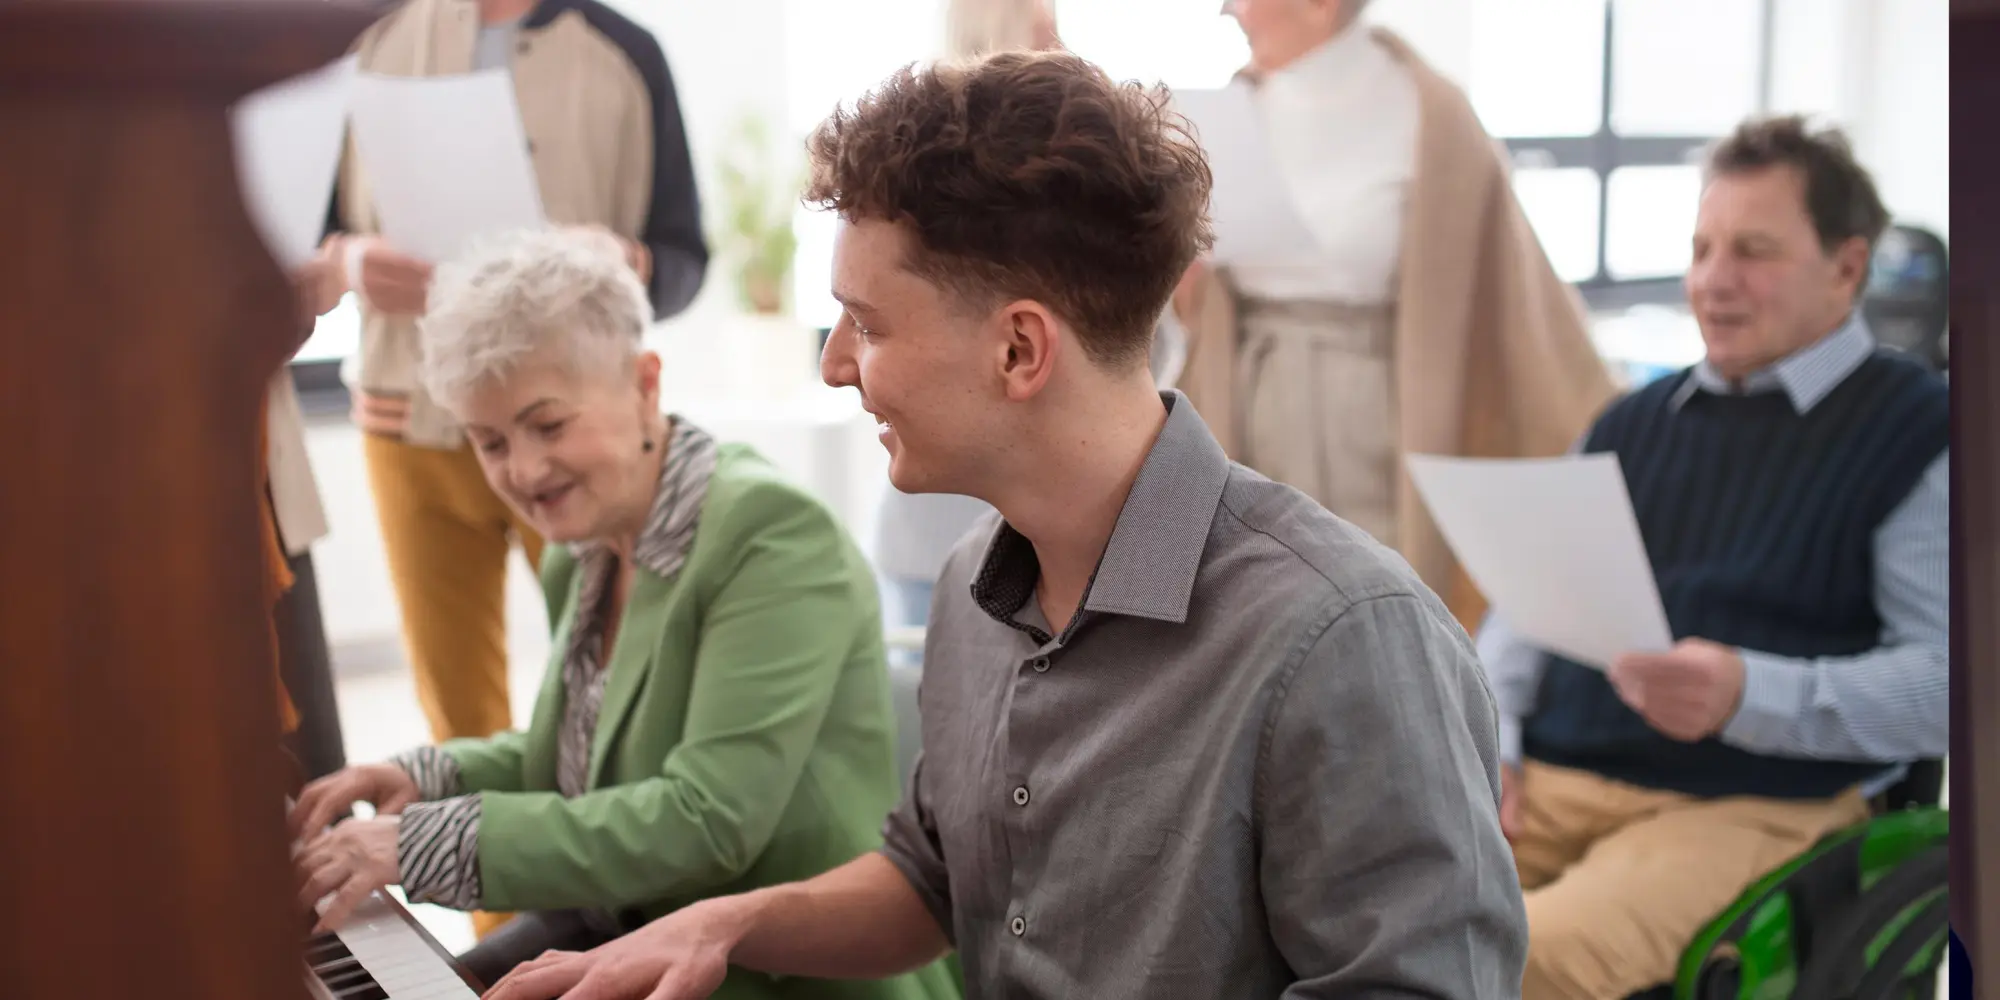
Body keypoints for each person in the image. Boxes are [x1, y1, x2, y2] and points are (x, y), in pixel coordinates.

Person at [481, 49, 1526, 1000]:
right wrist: (726, 922)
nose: (835, 363)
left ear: (1020, 351)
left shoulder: (1344, 637)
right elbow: (935, 877)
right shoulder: (973, 587)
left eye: (867, 323)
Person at [286, 228, 958, 1000]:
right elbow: (589, 751)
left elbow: (704, 819)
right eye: (490, 440)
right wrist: (424, 775)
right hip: (624, 932)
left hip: (783, 977)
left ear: (646, 383)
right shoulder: (584, 544)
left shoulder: (772, 534)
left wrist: (418, 844)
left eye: (549, 425)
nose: (524, 471)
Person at [1475, 116, 1949, 999]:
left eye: (1753, 251)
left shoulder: (1919, 432)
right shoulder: (1628, 423)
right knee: (1343, 909)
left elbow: (1948, 685)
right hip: (1546, 785)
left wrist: (1749, 693)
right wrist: (1490, 740)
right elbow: (1523, 617)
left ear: (1848, 267)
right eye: (1702, 248)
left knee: (1503, 960)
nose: (1712, 283)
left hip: (1750, 807)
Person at [324, 0, 709, 760]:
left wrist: (619, 258)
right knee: (456, 711)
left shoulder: (626, 53)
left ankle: (620, 865)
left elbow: (684, 261)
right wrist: (350, 264)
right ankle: (488, 870)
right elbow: (298, 233)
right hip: (408, 423)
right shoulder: (366, 44)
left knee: (623, 692)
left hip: (579, 427)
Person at [1170, 0, 1618, 631]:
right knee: (1252, 606)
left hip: (1379, 413)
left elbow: (1510, 296)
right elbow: (1193, 299)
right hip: (1249, 398)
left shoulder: (1433, 114)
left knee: (1375, 611)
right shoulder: (1227, 111)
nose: (1227, 11)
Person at [870, 0, 1060, 633]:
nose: (1060, 41)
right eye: (1044, 26)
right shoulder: (969, 183)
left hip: (986, 534)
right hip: (948, 537)